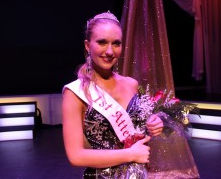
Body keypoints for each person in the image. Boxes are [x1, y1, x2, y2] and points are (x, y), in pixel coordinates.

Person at [62, 11, 164, 178]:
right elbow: (76, 156)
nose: (110, 51)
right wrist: (130, 155)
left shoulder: (132, 84)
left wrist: (154, 123)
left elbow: (136, 132)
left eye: (116, 43)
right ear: (88, 46)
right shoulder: (75, 93)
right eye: (102, 42)